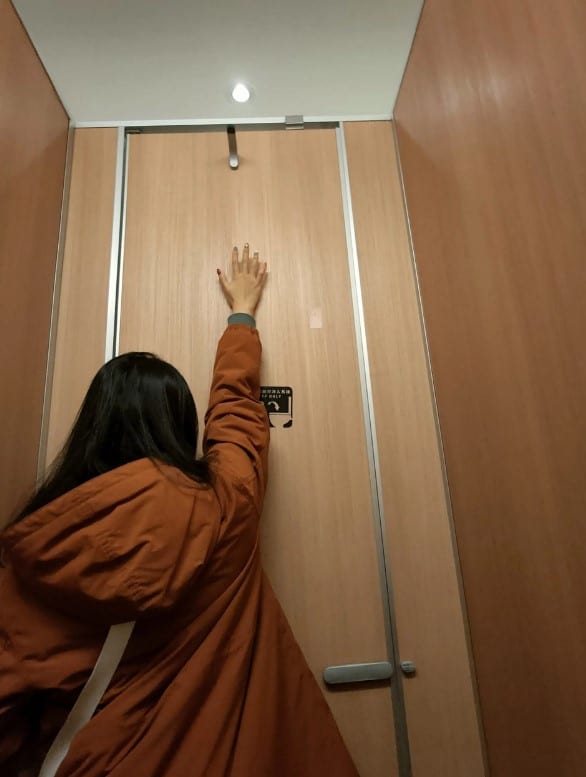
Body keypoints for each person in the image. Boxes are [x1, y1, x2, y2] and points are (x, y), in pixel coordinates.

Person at [0, 245, 359, 776]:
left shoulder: (38, 557)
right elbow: (236, 413)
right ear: (181, 426)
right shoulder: (226, 504)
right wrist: (241, 317)